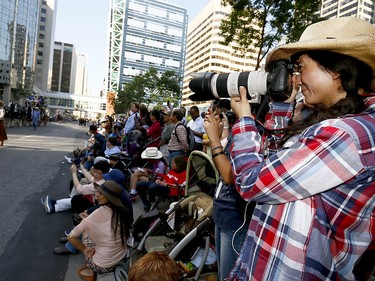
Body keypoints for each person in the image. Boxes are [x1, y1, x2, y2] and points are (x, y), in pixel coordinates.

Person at [222, 17, 375, 280]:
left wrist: (245, 120)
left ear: (335, 69)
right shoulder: (347, 123)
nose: (296, 79)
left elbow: (250, 181)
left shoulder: (346, 134)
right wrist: (281, 108)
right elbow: (278, 163)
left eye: (301, 68)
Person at [204, 108, 254, 281]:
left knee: (228, 275)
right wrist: (217, 132)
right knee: (222, 272)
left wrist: (214, 138)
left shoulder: (252, 133)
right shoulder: (237, 131)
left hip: (235, 217)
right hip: (222, 211)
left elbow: (229, 176)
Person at [67, 180, 132, 280]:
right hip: (122, 257)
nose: (96, 196)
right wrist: (88, 220)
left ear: (108, 197)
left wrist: (85, 250)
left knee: (85, 232)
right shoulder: (124, 211)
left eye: (101, 193)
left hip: (102, 266)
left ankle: (89, 268)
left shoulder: (97, 213)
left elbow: (71, 237)